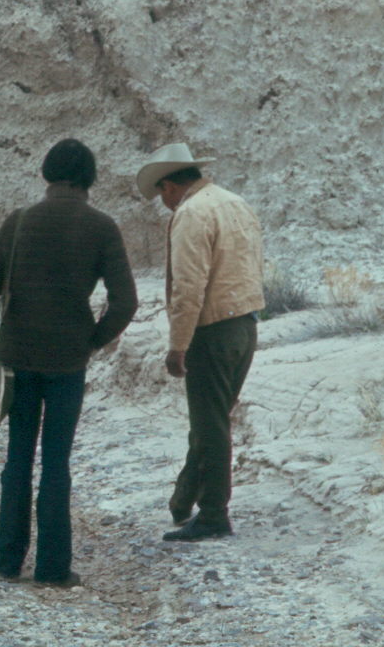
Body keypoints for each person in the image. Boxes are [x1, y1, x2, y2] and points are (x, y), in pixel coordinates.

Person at [0, 139, 138, 587]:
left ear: (47, 173)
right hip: (68, 360)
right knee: (56, 463)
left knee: (17, 457)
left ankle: (7, 560)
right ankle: (52, 568)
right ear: (89, 178)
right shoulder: (103, 227)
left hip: (16, 354)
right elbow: (125, 302)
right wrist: (91, 340)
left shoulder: (19, 220)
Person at [136, 143, 265, 542]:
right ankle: (184, 498)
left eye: (162, 195)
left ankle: (213, 514)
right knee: (212, 418)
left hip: (211, 330)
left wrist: (178, 345)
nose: (164, 203)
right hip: (245, 323)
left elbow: (188, 288)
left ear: (171, 185)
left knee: (209, 425)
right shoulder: (234, 202)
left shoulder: (192, 213)